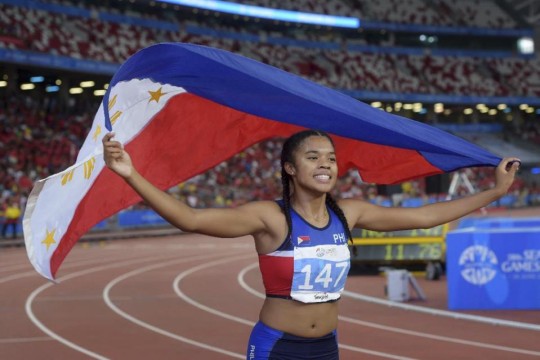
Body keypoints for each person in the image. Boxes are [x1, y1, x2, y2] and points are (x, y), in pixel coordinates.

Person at [102, 129, 519, 360]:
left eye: (331, 158)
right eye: (313, 157)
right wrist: (129, 173)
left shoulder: (349, 213)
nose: (325, 164)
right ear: (289, 166)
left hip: (326, 347)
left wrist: (494, 193)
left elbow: (426, 216)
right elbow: (189, 219)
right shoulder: (269, 217)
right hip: (277, 347)